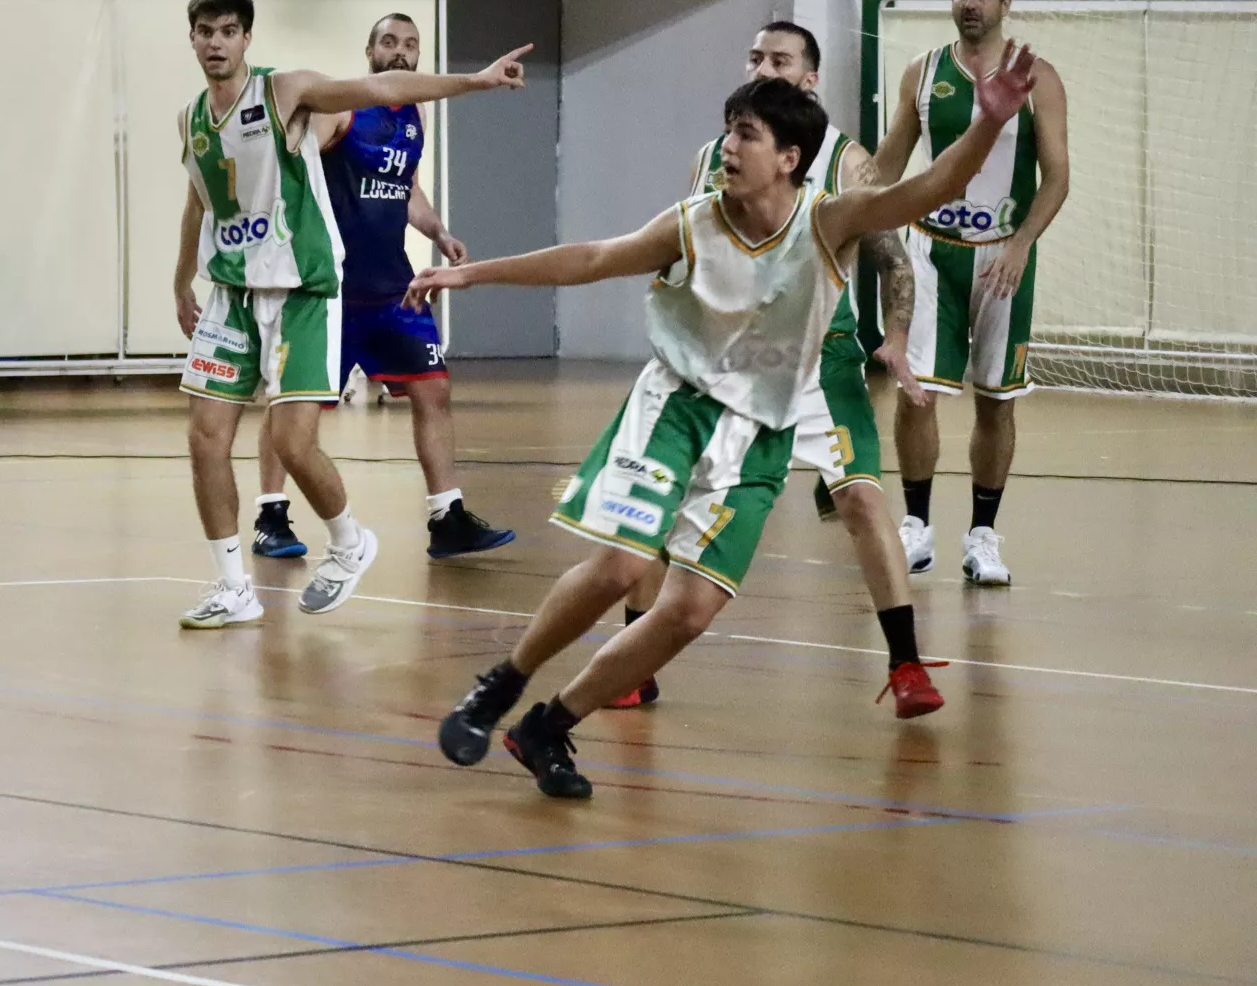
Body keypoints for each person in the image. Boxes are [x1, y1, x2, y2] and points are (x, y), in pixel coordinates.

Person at [421, 53, 1036, 799]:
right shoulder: (695, 221)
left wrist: (989, 122)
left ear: (789, 158)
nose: (727, 148)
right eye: (726, 132)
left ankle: (550, 724)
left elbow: (931, 187)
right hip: (675, 409)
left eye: (745, 134)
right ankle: (502, 683)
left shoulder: (828, 219)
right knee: (622, 567)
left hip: (760, 433)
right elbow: (592, 259)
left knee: (690, 612)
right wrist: (472, 273)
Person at [605, 22, 944, 719]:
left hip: (822, 357)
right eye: (756, 55)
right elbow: (684, 247)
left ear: (810, 78)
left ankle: (907, 665)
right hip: (728, 359)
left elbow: (893, 257)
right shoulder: (716, 155)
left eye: (781, 59)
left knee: (860, 498)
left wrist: (899, 337)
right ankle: (633, 663)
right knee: (661, 500)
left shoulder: (848, 162)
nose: (766, 65)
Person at [172, 0, 530, 629]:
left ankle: (350, 540)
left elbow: (384, 92)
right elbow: (199, 200)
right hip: (230, 291)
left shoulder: (288, 92)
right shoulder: (192, 118)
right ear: (193, 38)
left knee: (295, 438)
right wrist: (179, 282)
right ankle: (233, 586)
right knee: (204, 439)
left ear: (246, 38)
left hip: (304, 288)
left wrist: (474, 82)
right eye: (206, 31)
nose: (217, 42)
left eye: (229, 31)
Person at [248, 12, 515, 564]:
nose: (400, 51)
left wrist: (438, 230)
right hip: (328, 293)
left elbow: (406, 186)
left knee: (433, 390)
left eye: (410, 45)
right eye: (389, 42)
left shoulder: (412, 116)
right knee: (290, 406)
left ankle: (448, 516)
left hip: (393, 287)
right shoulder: (343, 108)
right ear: (368, 50)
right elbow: (292, 162)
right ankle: (270, 514)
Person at [873, 0, 1070, 587]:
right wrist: (860, 222)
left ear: (1006, 3)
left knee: (996, 399)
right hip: (932, 249)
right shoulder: (922, 74)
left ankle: (983, 534)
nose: (971, 2)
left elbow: (1058, 177)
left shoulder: (1039, 78)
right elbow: (885, 169)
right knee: (917, 391)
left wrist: (1022, 243)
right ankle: (917, 527)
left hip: (1003, 260)